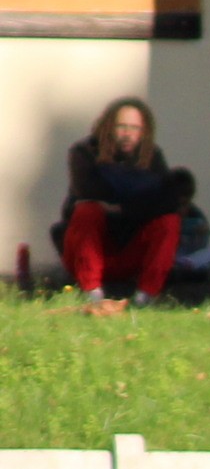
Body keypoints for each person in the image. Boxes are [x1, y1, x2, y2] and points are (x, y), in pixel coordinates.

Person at [60, 97, 191, 310]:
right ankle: (92, 293)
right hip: (90, 250)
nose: (128, 134)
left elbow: (168, 201)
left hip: (130, 248)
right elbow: (87, 191)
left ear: (143, 131)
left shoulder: (152, 156)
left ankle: (146, 296)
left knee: (169, 222)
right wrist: (142, 195)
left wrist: (122, 207)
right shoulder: (84, 152)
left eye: (134, 128)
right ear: (109, 127)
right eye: (122, 127)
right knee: (87, 210)